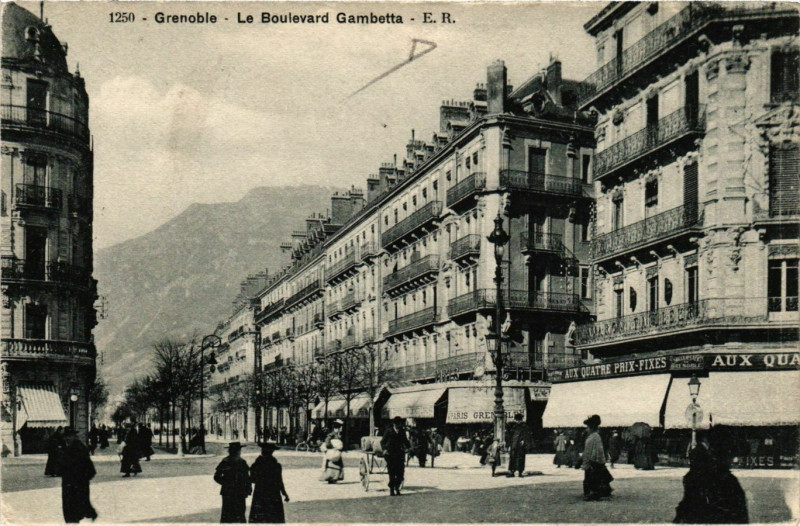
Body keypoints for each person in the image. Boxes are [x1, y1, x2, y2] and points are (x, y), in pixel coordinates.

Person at [58, 427, 98, 523]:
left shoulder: (78, 448)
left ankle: (89, 513)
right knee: (75, 508)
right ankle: (90, 513)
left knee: (72, 511)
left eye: (69, 436)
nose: (66, 439)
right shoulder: (70, 447)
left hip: (75, 483)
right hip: (72, 483)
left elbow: (89, 468)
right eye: (65, 437)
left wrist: (81, 479)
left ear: (74, 437)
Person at [249, 441, 290, 523]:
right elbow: (279, 481)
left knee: (259, 517)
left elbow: (252, 479)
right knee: (273, 517)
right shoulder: (276, 465)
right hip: (273, 493)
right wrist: (284, 493)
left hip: (260, 493)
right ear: (272, 452)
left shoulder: (256, 464)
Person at [214, 442, 252, 523]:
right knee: (228, 513)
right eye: (236, 450)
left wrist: (248, 489)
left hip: (240, 492)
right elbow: (216, 476)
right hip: (228, 492)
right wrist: (226, 483)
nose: (238, 452)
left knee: (240, 513)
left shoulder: (242, 462)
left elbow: (247, 477)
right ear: (231, 451)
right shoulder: (225, 462)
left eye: (238, 450)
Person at [582, 415, 613, 501]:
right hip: (594, 461)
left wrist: (588, 462)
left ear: (591, 428)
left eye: (587, 427)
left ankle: (592, 493)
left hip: (593, 461)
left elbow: (594, 451)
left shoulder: (594, 437)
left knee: (592, 478)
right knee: (595, 477)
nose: (586, 429)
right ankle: (597, 492)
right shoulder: (594, 436)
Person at [381, 416, 410, 496]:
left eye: (400, 423)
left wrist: (409, 447)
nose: (399, 425)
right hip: (390, 454)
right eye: (397, 423)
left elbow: (406, 441)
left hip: (400, 454)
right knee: (392, 473)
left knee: (400, 473)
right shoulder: (388, 431)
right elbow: (382, 442)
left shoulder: (402, 431)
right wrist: (384, 449)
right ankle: (392, 490)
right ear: (394, 424)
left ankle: (397, 487)